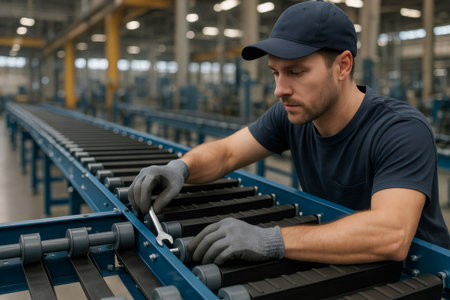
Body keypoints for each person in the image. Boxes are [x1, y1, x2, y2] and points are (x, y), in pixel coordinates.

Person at [129, 0, 450, 266]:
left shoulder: (400, 130)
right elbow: (226, 152)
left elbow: (391, 235)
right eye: (275, 73)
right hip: (344, 267)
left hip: (418, 279)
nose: (280, 89)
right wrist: (180, 168)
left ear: (342, 66)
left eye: (296, 72)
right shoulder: (292, 116)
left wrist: (270, 239)